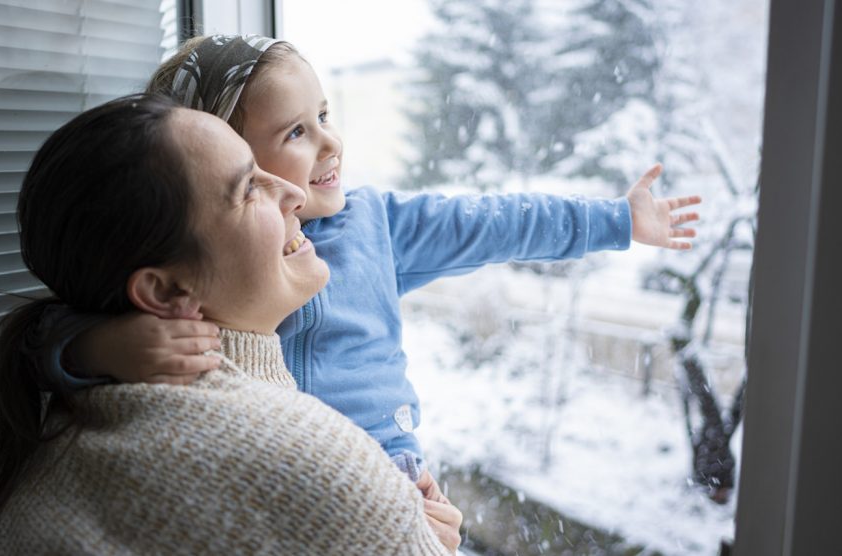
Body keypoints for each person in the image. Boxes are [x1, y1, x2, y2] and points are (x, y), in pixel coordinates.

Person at [65, 35, 701, 487]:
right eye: (296, 132)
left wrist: (615, 221)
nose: (330, 141)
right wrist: (95, 348)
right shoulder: (195, 269)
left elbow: (494, 223)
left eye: (322, 116)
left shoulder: (375, 225)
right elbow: (43, 335)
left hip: (388, 470)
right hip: (276, 472)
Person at [0, 95, 460, 554]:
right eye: (249, 187)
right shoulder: (306, 459)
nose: (293, 192)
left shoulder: (94, 402)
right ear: (164, 292)